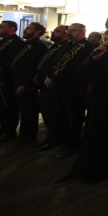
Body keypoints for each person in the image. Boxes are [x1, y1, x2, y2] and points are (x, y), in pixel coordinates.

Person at [55, 27, 108, 184]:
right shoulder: (98, 54)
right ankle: (81, 169)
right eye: (106, 39)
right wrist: (94, 58)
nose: (107, 43)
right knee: (91, 136)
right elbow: (80, 71)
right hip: (96, 100)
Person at [43, 23, 97, 158]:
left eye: (73, 30)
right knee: (59, 115)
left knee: (73, 118)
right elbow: (54, 62)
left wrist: (56, 79)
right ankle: (59, 140)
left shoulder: (89, 47)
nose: (69, 32)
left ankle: (72, 145)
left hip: (73, 88)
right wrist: (48, 76)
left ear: (82, 32)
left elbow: (74, 68)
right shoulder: (65, 45)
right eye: (68, 30)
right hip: (57, 87)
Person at [11, 22, 49, 142]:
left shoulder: (39, 46)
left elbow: (33, 67)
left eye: (29, 28)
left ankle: (29, 136)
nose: (25, 30)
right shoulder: (26, 44)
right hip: (18, 81)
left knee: (29, 110)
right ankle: (23, 133)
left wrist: (24, 84)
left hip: (28, 84)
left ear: (37, 31)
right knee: (23, 109)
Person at [33, 25, 69, 149]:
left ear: (66, 34)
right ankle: (50, 137)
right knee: (46, 113)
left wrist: (48, 77)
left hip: (53, 84)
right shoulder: (55, 46)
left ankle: (56, 139)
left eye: (57, 31)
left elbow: (58, 65)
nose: (53, 33)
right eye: (54, 31)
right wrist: (39, 75)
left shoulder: (66, 47)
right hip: (44, 83)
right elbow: (46, 63)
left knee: (55, 115)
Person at [0, 21, 27, 144]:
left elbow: (13, 62)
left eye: (2, 27)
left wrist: (2, 78)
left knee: (8, 106)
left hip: (7, 80)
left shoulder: (17, 42)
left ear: (12, 29)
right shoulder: (3, 41)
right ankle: (3, 129)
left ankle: (9, 131)